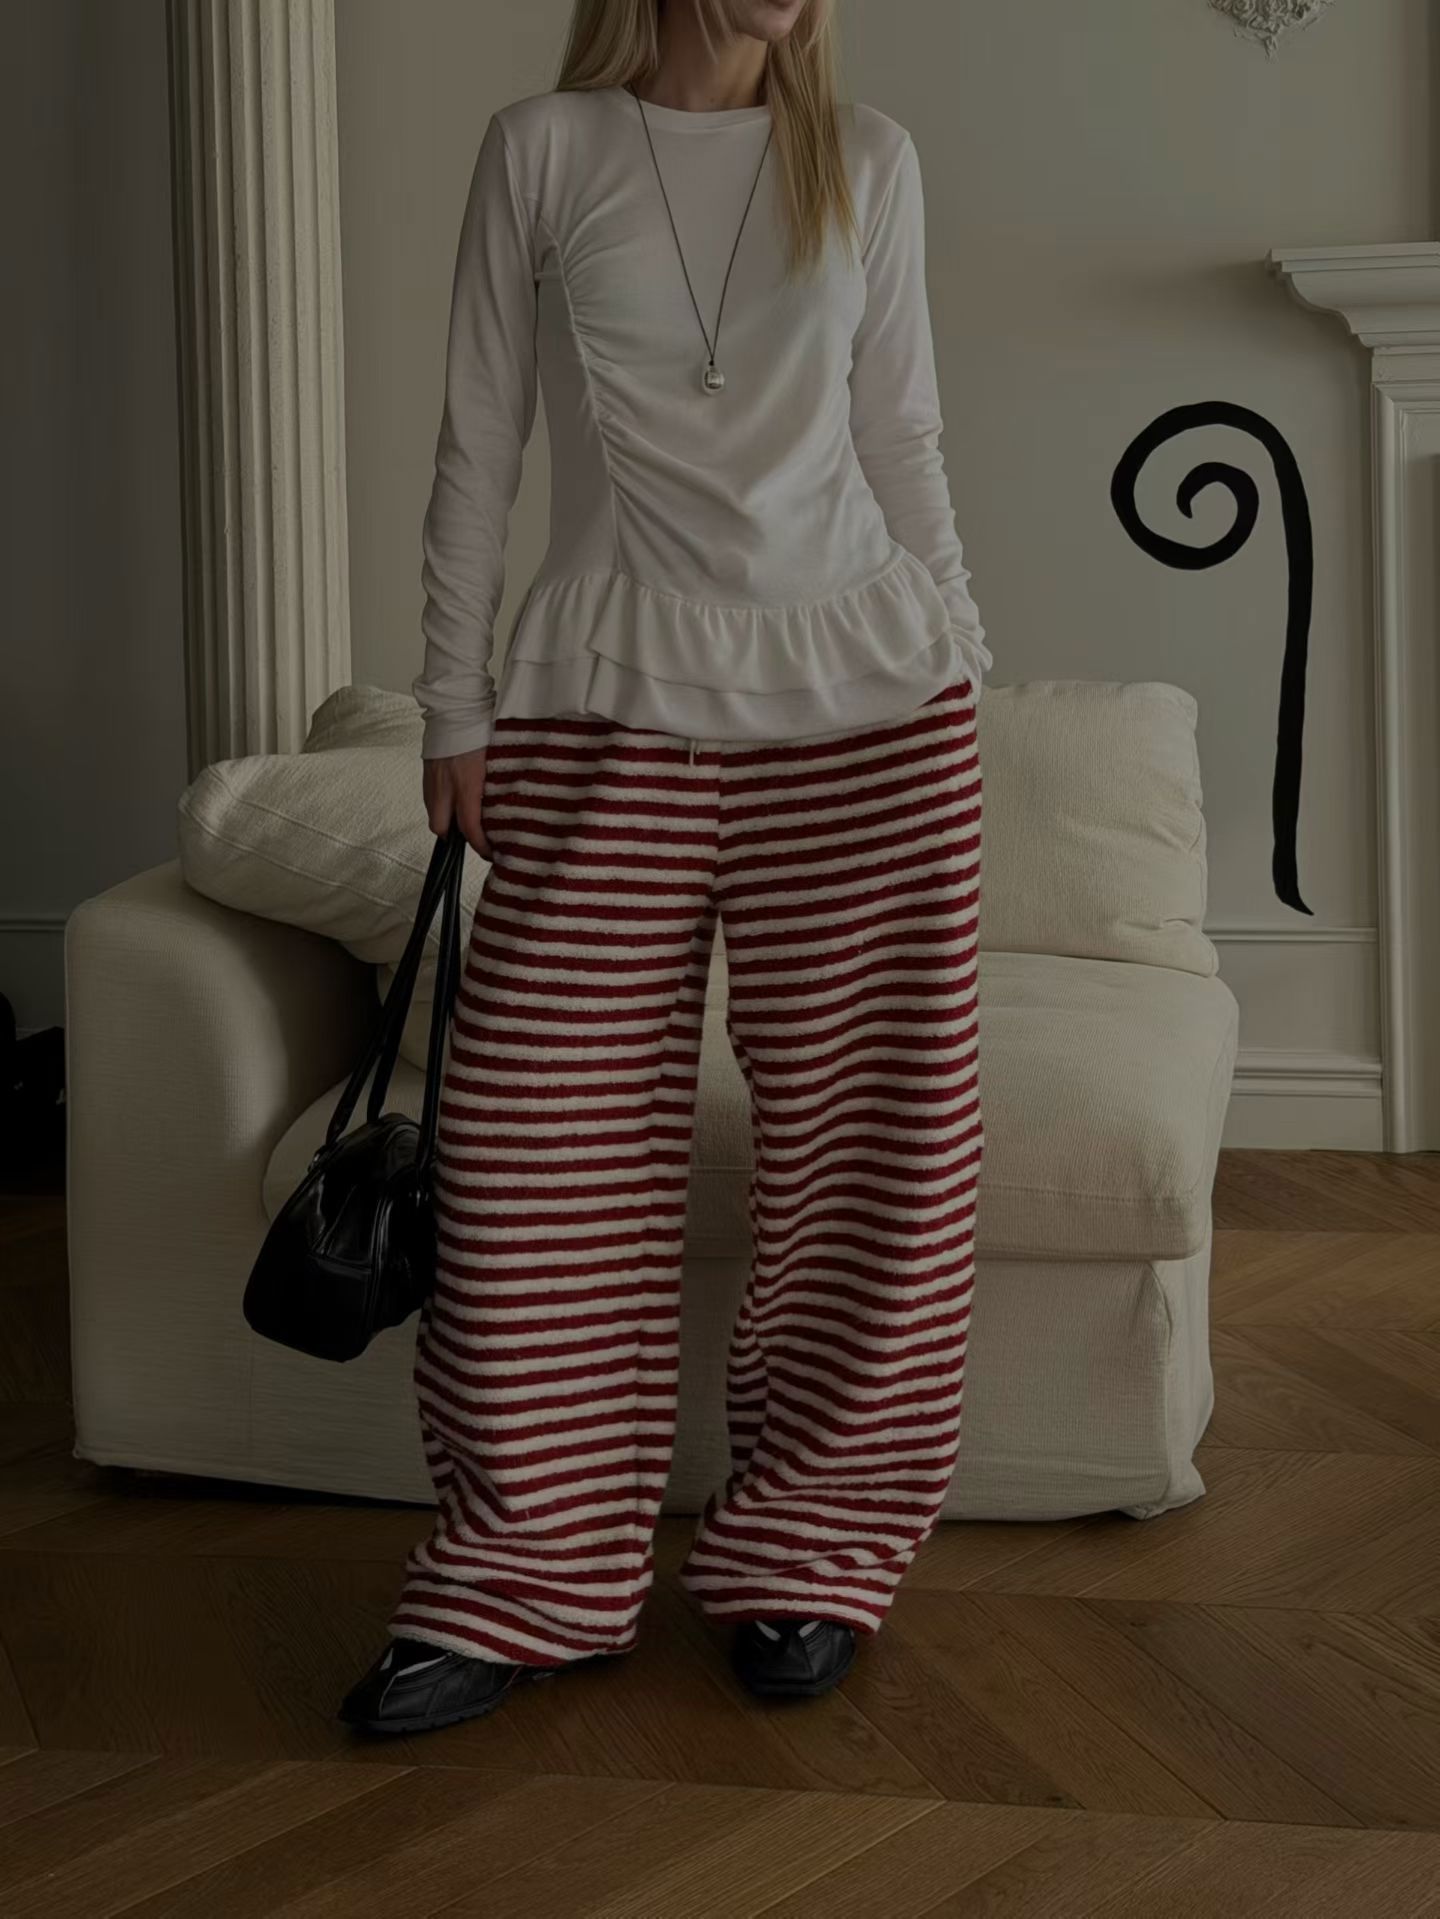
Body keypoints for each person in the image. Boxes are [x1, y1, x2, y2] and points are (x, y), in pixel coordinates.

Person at [340, 0, 989, 1739]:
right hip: (596, 702)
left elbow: (903, 436)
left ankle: (811, 1553)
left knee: (877, 1148)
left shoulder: (868, 161)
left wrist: (963, 656)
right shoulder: (542, 150)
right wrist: (451, 703)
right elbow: (480, 440)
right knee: (530, 1143)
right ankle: (525, 1572)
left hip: (869, 712)